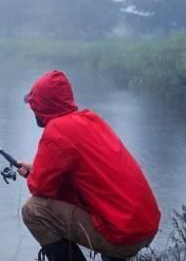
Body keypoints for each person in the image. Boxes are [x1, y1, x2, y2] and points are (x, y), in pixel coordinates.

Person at [18, 70, 161, 261]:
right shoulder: (90, 119)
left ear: (41, 105)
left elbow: (40, 188)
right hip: (144, 227)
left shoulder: (56, 131)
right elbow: (82, 176)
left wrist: (35, 175)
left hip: (123, 235)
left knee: (33, 211)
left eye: (33, 104)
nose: (32, 109)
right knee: (102, 210)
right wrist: (37, 169)